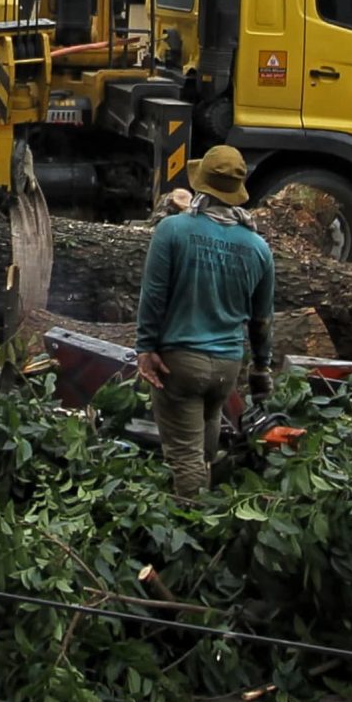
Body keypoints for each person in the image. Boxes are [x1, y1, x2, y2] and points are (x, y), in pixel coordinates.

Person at [134, 145, 276, 499]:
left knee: (185, 458)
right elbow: (262, 320)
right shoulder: (258, 248)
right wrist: (261, 369)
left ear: (202, 187)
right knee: (204, 446)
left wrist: (145, 347)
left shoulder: (173, 231)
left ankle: (192, 528)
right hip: (226, 368)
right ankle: (209, 501)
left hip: (180, 363)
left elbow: (153, 296)